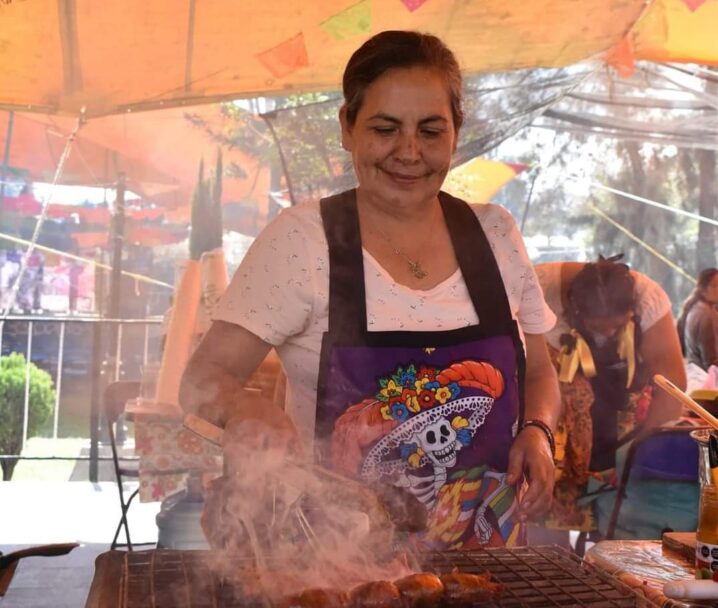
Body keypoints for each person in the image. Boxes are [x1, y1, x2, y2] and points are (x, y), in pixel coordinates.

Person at [180, 30, 560, 549]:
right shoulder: (303, 240)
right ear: (347, 127)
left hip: (489, 562)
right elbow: (205, 377)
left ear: (456, 132)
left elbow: (537, 368)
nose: (409, 152)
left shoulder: (496, 235)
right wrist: (244, 407)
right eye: (385, 128)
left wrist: (539, 430)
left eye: (431, 130)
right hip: (337, 566)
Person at [534, 257, 687, 538]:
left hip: (619, 419)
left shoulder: (648, 301)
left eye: (617, 327)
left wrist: (635, 456)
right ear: (574, 310)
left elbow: (672, 387)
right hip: (555, 419)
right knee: (543, 521)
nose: (607, 334)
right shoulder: (536, 290)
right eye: (598, 327)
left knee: (614, 518)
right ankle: (547, 555)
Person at [677, 268, 718, 372]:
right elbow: (710, 361)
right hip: (707, 379)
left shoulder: (697, 307)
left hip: (696, 374)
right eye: (715, 286)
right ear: (703, 288)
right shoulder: (705, 314)